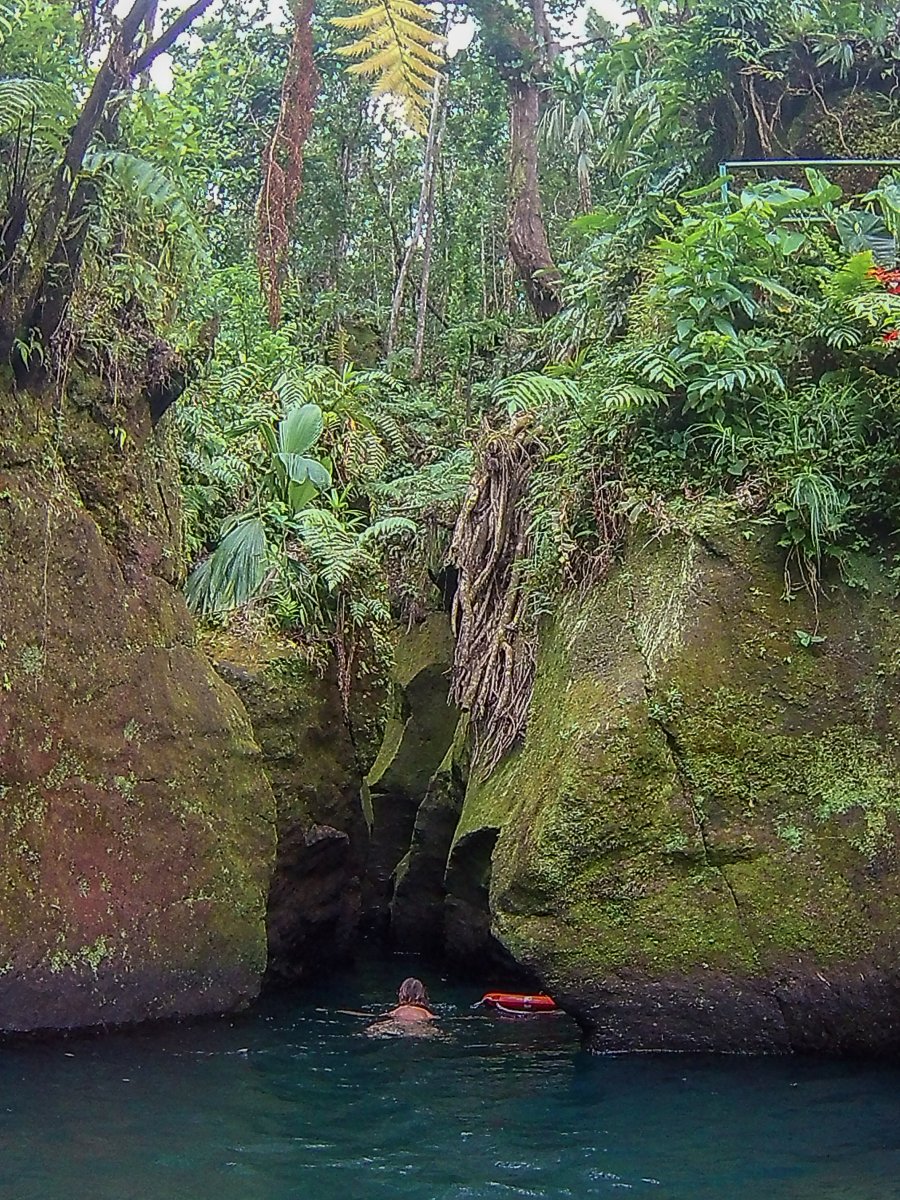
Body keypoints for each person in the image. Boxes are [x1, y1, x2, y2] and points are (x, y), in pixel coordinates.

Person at [365, 977, 438, 1037]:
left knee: (373, 1028)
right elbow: (435, 1017)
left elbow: (387, 1014)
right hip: (418, 1026)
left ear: (401, 993)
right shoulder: (425, 1012)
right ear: (423, 994)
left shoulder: (398, 1010)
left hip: (399, 1023)